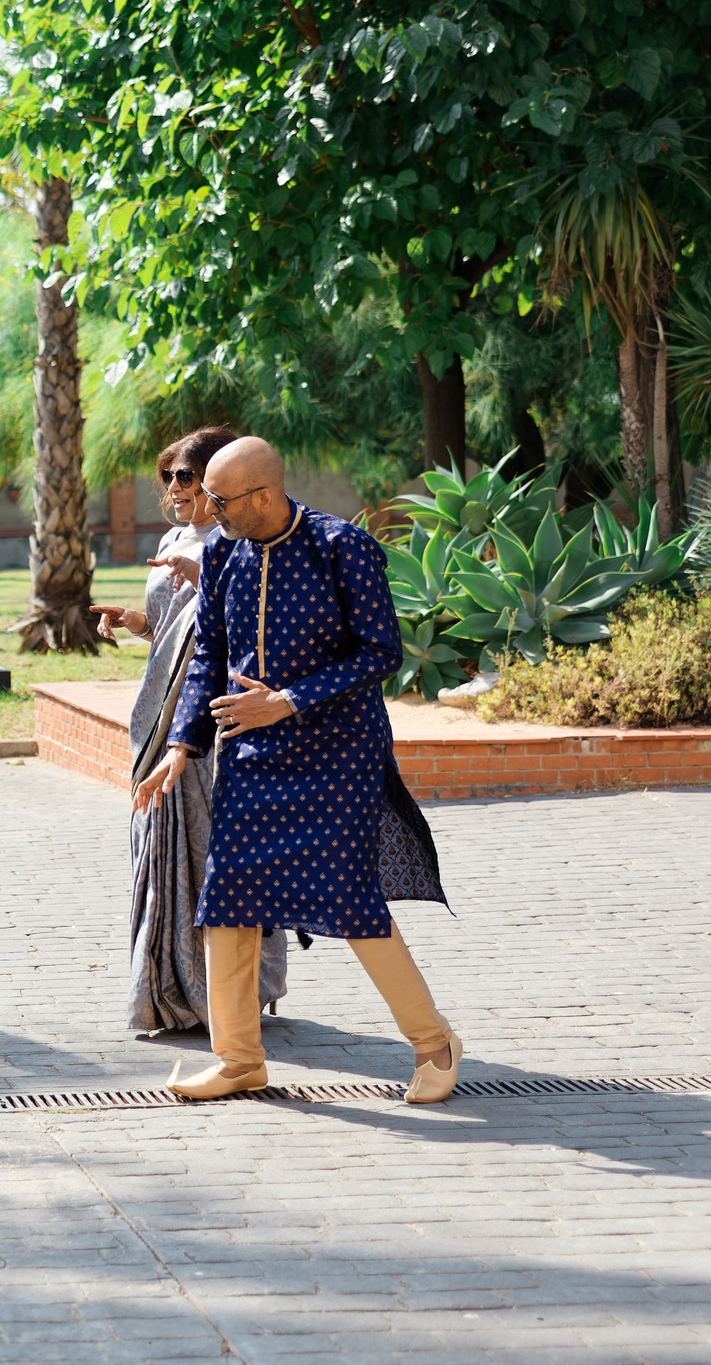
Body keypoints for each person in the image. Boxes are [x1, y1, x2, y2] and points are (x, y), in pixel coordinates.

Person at [136, 437, 456, 1103]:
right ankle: (238, 1058)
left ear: (262, 494)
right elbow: (210, 656)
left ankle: (433, 1043)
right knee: (228, 899)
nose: (208, 509)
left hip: (337, 756)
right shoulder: (223, 550)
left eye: (220, 499)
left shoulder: (342, 547)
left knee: (351, 902)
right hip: (252, 758)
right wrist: (181, 746)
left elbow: (378, 653)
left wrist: (285, 701)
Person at [99, 428, 289, 1035]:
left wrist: (208, 576)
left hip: (212, 720)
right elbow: (171, 628)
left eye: (189, 477)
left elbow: (254, 624)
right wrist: (133, 621)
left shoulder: (242, 544)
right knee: (159, 844)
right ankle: (167, 990)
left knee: (216, 850)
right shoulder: (175, 538)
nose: (176, 489)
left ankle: (229, 1001)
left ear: (221, 487)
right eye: (171, 477)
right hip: (161, 713)